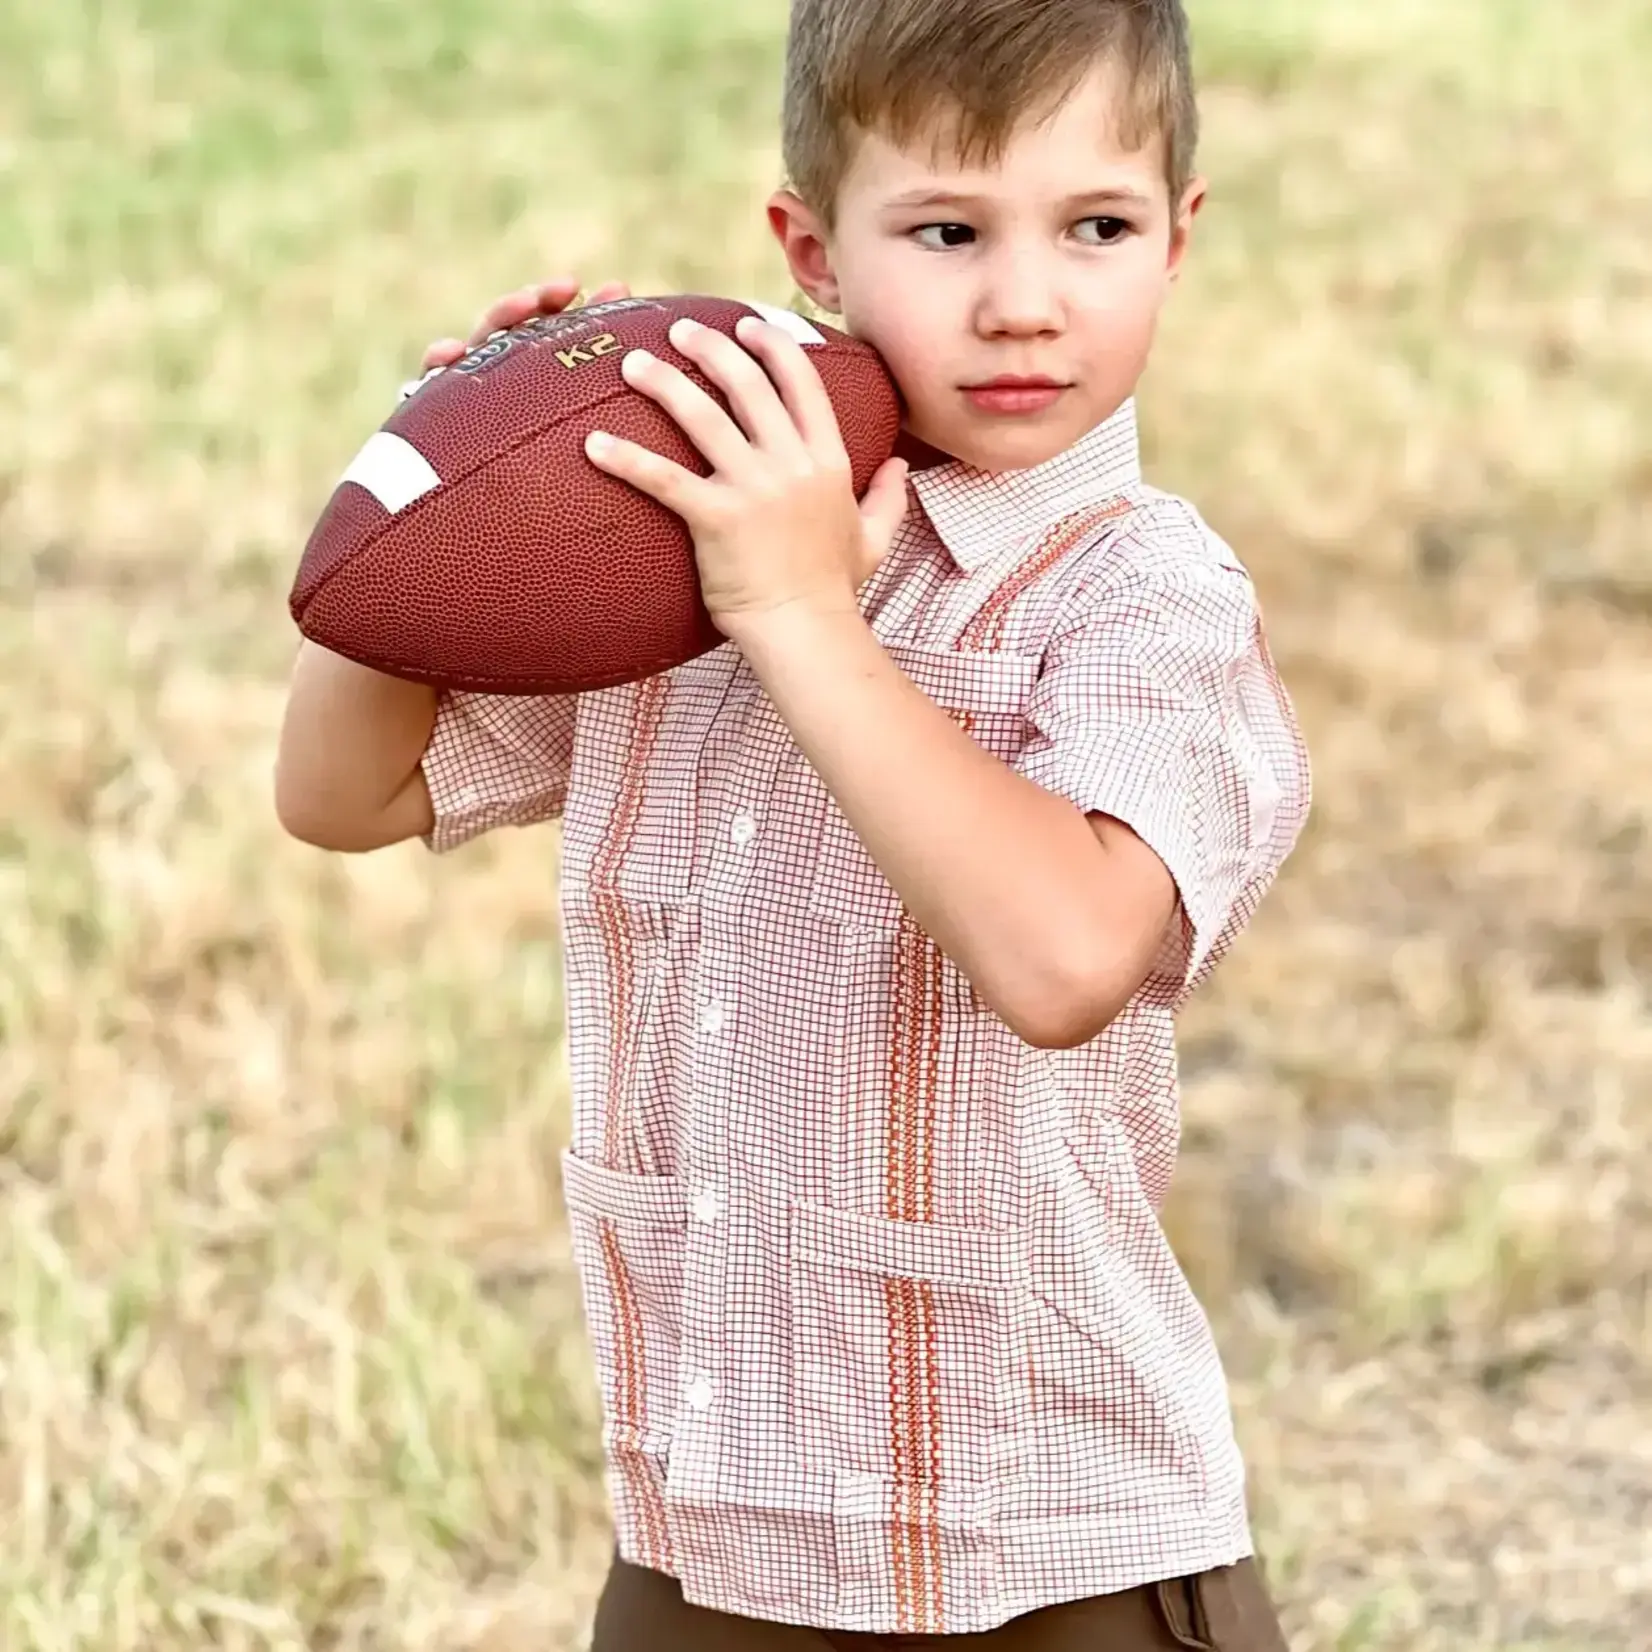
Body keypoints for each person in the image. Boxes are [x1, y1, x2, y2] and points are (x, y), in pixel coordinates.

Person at [275, 0, 1311, 1645]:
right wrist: (438, 505)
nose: (1024, 300)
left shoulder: (1144, 597)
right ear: (814, 251)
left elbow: (1065, 960)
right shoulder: (681, 540)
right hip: (712, 1531)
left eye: (1095, 228)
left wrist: (801, 614)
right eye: (948, 232)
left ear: (1178, 239)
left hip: (1045, 1550)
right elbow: (341, 796)